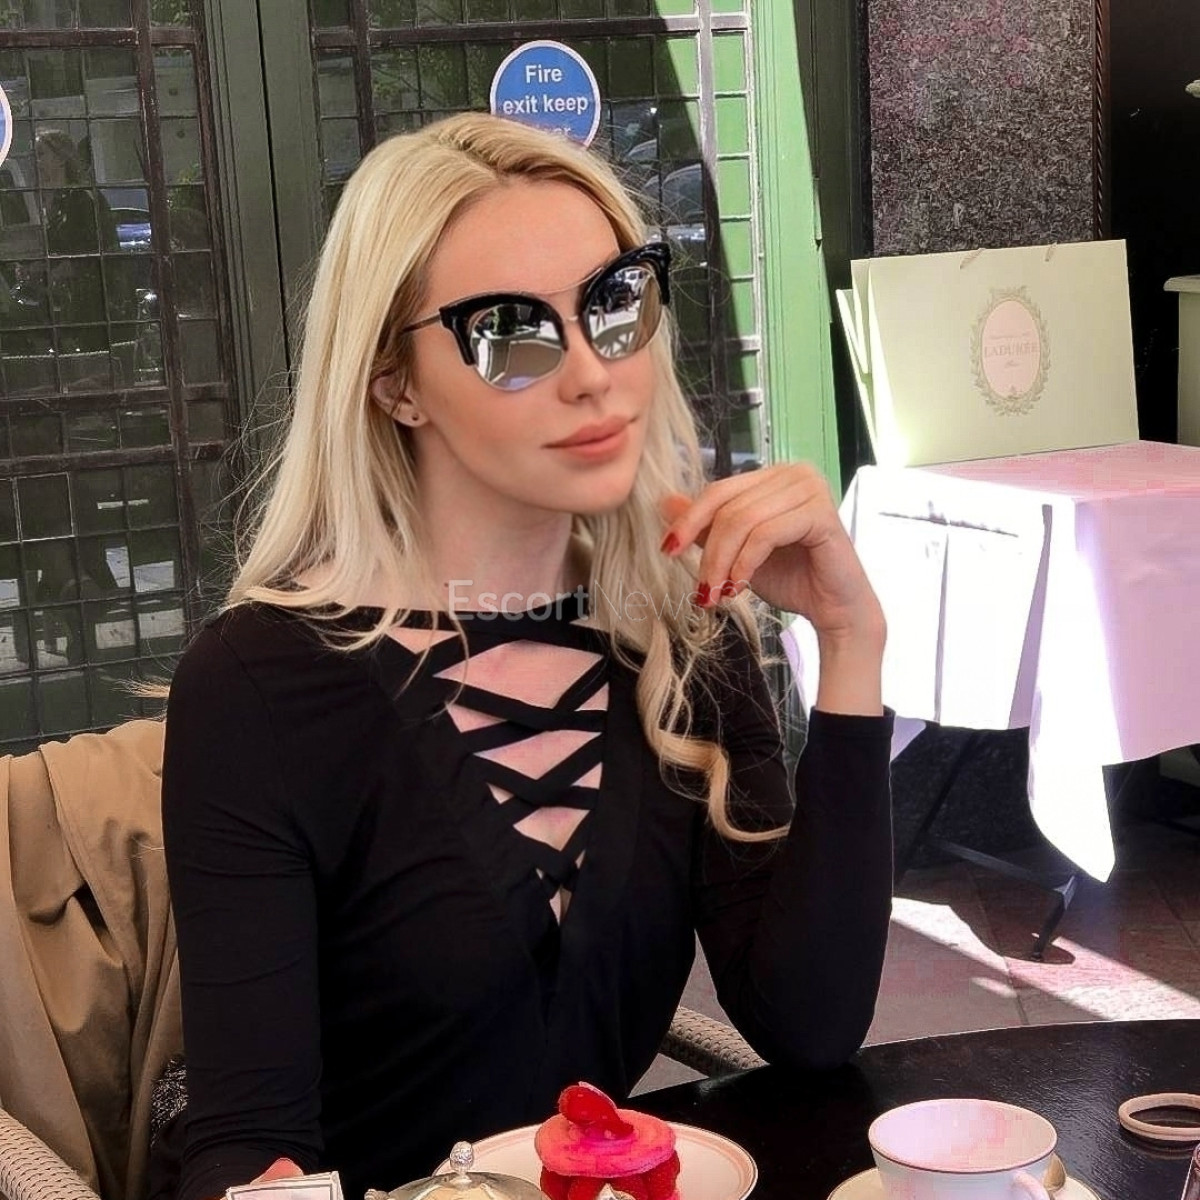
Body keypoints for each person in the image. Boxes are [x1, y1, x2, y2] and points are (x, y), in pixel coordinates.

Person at [155, 112, 894, 1200]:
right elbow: (247, 1133)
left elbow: (811, 1027)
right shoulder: (258, 685)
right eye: (509, 332)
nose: (592, 373)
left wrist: (850, 642)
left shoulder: (687, 640)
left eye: (613, 302)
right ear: (394, 383)